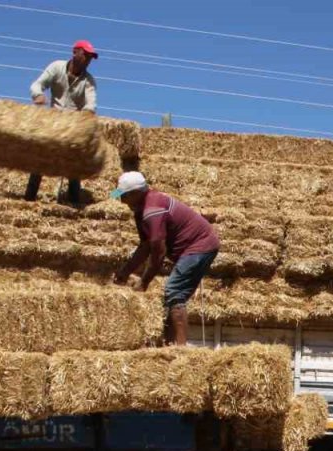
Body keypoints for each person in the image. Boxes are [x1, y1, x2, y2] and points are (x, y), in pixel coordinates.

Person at [111, 172, 220, 346]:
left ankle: (179, 349)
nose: (121, 200)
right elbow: (145, 246)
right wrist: (125, 272)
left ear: (136, 193)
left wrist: (144, 282)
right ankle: (169, 344)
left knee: (174, 290)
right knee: (171, 296)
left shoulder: (152, 211)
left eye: (123, 195)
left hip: (200, 246)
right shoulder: (141, 208)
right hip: (193, 247)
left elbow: (158, 253)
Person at [25, 40, 99, 205]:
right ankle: (29, 199)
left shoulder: (89, 81)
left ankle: (73, 202)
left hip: (73, 125)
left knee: (73, 164)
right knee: (40, 160)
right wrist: (37, 94)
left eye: (90, 58)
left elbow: (91, 104)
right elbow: (37, 84)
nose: (88, 60)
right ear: (75, 52)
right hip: (53, 122)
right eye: (85, 55)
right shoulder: (57, 67)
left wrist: (86, 115)